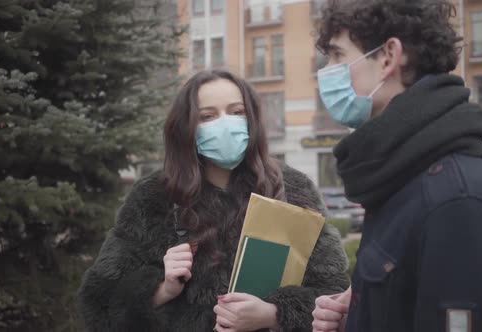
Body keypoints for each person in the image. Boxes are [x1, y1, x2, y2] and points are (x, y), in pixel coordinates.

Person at [311, 1, 482, 332]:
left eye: (337, 56)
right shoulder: (400, 176)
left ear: (388, 56)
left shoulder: (459, 205)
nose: (326, 71)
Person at [77, 69, 349, 332]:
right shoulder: (154, 198)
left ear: (251, 118)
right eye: (208, 116)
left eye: (236, 112)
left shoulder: (292, 189)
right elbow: (99, 304)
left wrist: (272, 315)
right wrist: (162, 289)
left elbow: (334, 294)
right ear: (187, 127)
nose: (225, 124)